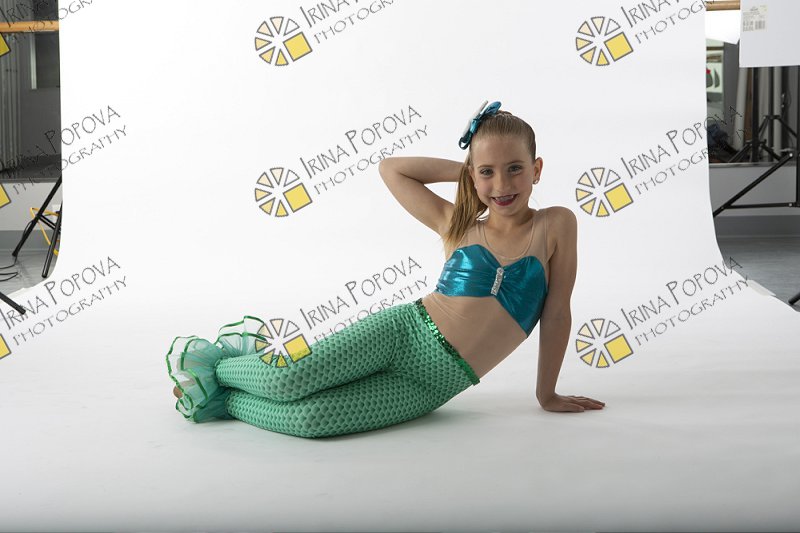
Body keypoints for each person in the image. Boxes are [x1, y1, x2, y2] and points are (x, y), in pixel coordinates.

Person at [167, 101, 604, 438]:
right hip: (403, 333)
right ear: (473, 176)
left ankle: (222, 400)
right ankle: (215, 372)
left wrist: (546, 393)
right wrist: (468, 173)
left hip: (437, 384)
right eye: (488, 172)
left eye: (515, 169)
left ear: (537, 170)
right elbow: (392, 169)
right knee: (289, 379)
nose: (503, 184)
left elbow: (557, 313)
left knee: (312, 420)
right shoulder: (458, 225)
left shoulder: (556, 224)